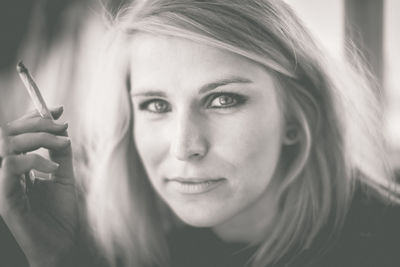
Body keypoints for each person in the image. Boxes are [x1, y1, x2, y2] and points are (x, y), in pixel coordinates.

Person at [1, 0, 400, 266]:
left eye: (223, 100)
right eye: (156, 105)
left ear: (296, 120)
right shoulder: (120, 247)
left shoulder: (385, 243)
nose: (184, 147)